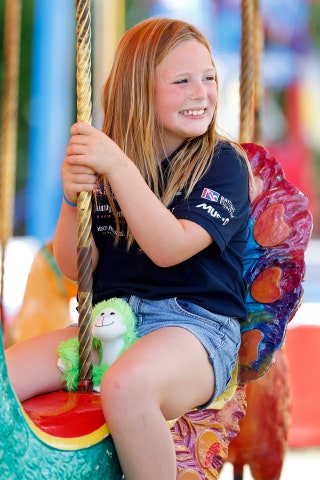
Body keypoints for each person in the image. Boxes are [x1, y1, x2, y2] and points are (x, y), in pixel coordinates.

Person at [6, 17, 251, 480]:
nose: (201, 92)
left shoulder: (222, 165)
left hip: (195, 330)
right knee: (5, 376)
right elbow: (77, 269)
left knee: (128, 384)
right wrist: (70, 198)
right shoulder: (112, 167)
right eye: (182, 81)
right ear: (139, 91)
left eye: (209, 77)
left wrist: (116, 166)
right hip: (111, 322)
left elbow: (170, 246)